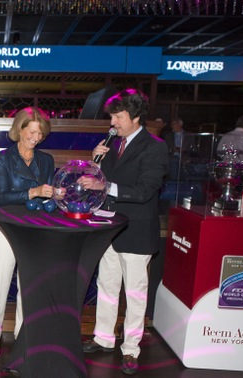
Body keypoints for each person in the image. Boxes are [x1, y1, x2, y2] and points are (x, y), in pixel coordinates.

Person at [80, 89, 168, 375]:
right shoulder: (112, 145)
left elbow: (144, 191)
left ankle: (131, 348)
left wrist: (104, 186)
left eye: (118, 116)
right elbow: (98, 182)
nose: (113, 122)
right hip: (109, 228)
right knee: (107, 287)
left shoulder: (155, 147)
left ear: (136, 116)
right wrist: (96, 161)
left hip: (137, 231)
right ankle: (103, 337)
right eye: (112, 116)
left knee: (134, 293)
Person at [0, 107, 55, 357]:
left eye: (40, 133)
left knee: (27, 287)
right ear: (20, 129)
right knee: (0, 286)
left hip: (34, 229)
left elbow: (48, 196)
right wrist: (34, 192)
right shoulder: (3, 158)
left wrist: (54, 196)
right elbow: (2, 197)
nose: (35, 138)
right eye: (32, 131)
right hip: (6, 227)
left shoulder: (46, 160)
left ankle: (21, 335)